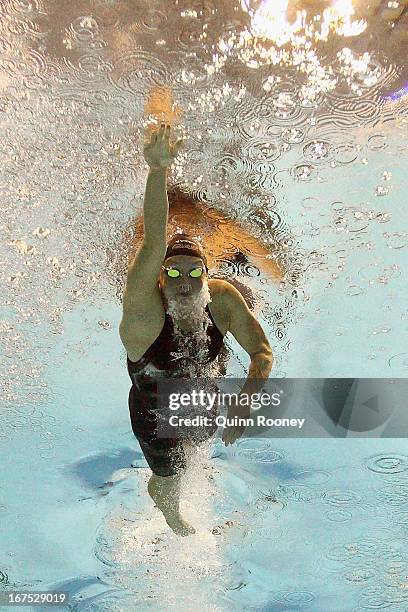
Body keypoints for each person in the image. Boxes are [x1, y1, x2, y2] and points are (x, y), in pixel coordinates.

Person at [119, 123, 273, 536]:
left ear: (208, 274)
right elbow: (153, 244)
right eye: (172, 272)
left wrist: (246, 402)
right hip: (154, 410)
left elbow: (262, 351)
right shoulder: (144, 314)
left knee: (202, 437)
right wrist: (157, 170)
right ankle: (167, 506)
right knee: (171, 477)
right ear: (160, 277)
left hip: (200, 390)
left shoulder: (218, 296)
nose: (184, 282)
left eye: (194, 273)